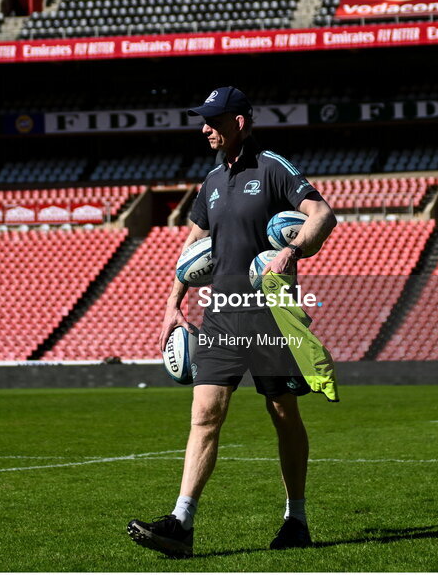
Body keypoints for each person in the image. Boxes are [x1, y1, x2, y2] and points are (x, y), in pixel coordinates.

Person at [127, 86, 337, 558]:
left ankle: (296, 518)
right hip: (220, 317)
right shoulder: (211, 183)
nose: (204, 128)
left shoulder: (272, 168)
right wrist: (172, 304)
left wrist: (291, 251)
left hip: (272, 317)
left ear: (238, 122)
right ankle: (181, 522)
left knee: (283, 414)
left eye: (212, 120)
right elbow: (191, 250)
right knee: (205, 414)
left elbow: (323, 214)